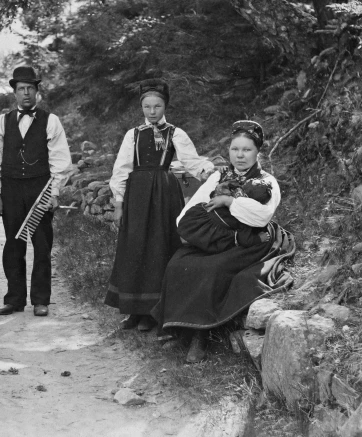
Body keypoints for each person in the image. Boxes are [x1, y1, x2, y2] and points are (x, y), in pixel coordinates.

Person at [152, 120, 295, 362]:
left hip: (248, 239)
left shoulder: (266, 181)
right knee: (179, 262)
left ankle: (201, 336)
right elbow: (195, 205)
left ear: (257, 152)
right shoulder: (219, 175)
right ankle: (181, 329)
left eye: (247, 150)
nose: (240, 155)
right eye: (235, 149)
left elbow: (261, 216)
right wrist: (199, 226)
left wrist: (229, 203)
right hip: (217, 235)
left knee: (212, 268)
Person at [104, 79, 215, 331]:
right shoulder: (133, 135)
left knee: (159, 245)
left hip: (165, 194)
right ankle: (133, 310)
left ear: (165, 106)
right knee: (135, 246)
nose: (152, 112)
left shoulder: (176, 133)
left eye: (157, 106)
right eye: (147, 107)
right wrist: (119, 205)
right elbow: (121, 170)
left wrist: (211, 173)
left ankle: (153, 312)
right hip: (138, 194)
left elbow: (192, 162)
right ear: (141, 107)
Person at [0, 66, 71, 317]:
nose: (26, 94)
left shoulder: (50, 121)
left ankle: (41, 300)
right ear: (15, 93)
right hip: (10, 190)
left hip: (39, 189)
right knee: (13, 244)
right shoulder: (3, 121)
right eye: (21, 89)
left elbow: (61, 161)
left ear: (37, 91)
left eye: (31, 88)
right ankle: (14, 299)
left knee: (41, 245)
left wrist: (54, 193)